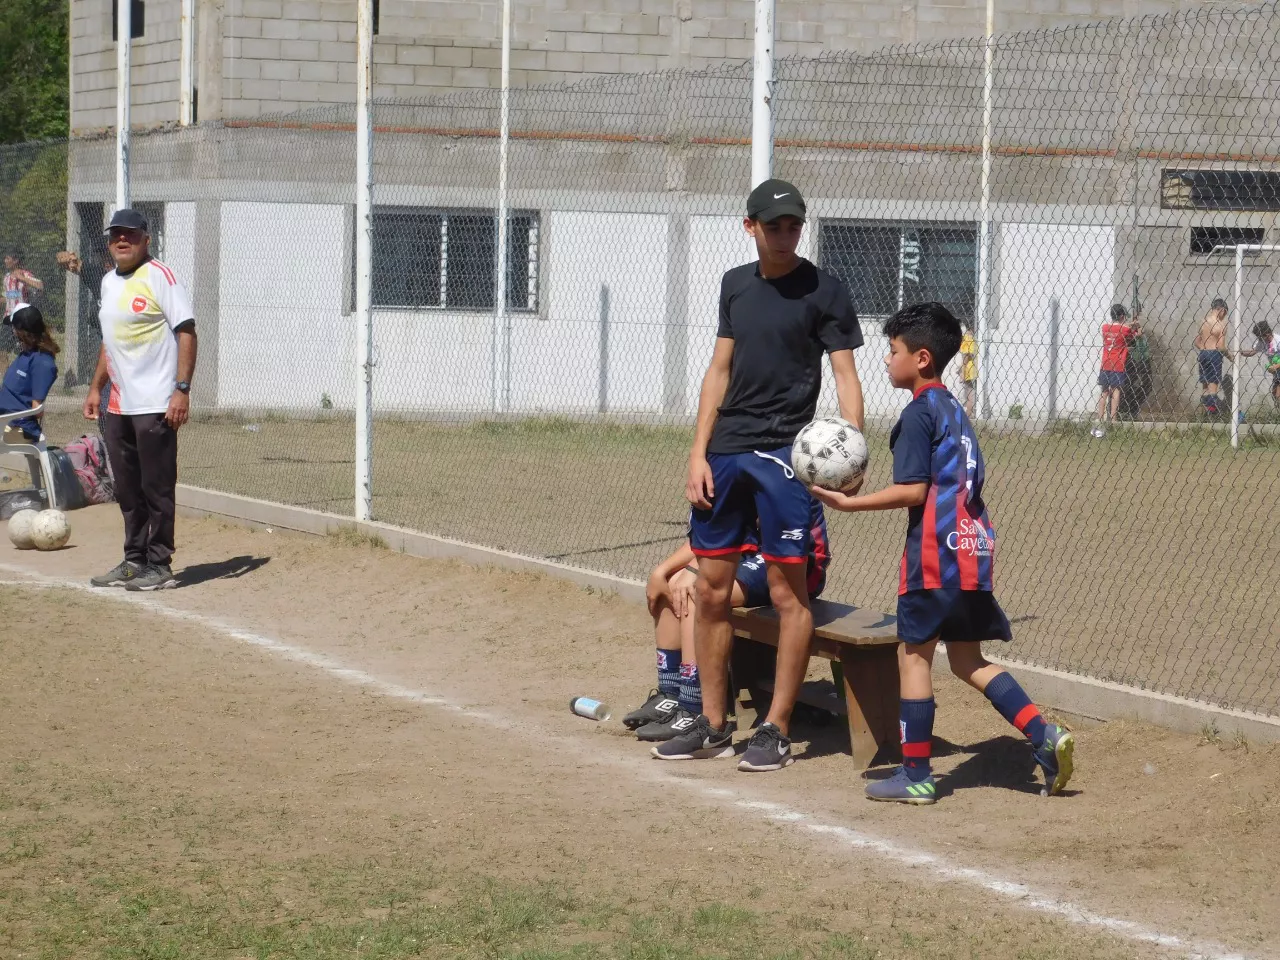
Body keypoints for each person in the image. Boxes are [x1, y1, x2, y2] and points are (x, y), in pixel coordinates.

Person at [811, 301, 1074, 804]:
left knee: (914, 659)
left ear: (923, 358)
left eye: (892, 351)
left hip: (933, 557)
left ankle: (917, 775)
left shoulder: (917, 413)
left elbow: (913, 491)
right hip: (973, 552)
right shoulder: (955, 410)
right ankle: (1043, 734)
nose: (886, 360)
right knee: (968, 660)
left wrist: (850, 503)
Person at [654, 179, 866, 772]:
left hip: (784, 454)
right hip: (726, 451)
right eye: (773, 225)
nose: (785, 234)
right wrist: (698, 452)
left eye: (794, 224)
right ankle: (714, 724)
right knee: (712, 591)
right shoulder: (734, 286)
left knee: (786, 595)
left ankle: (774, 728)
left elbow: (847, 376)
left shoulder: (825, 290)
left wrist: (852, 446)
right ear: (750, 227)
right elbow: (718, 370)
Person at [624, 500, 831, 742]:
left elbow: (734, 535)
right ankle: (670, 694)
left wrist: (694, 572)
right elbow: (706, 539)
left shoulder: (751, 467)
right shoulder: (714, 473)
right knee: (669, 585)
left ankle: (692, 705)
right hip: (745, 553)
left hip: (791, 560)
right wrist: (660, 572)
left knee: (697, 593)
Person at [83, 209, 198, 592]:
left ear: (146, 239)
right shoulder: (107, 282)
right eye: (116, 235)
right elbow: (109, 339)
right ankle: (133, 560)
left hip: (156, 401)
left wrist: (181, 389)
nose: (122, 241)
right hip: (119, 403)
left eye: (130, 235)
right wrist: (96, 386)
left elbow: (186, 331)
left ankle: (159, 564)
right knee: (128, 488)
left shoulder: (159, 276)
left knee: (157, 486)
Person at [0, 304, 58, 443]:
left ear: (21, 332)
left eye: (14, 327)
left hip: (16, 427)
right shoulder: (26, 354)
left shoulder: (42, 362)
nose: (12, 331)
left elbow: (37, 410)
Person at [1092, 304, 1139, 438]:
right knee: (1116, 391)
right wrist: (1136, 326)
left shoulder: (1105, 328)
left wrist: (1130, 325)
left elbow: (1120, 329)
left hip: (1105, 364)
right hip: (1118, 364)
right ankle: (1113, 419)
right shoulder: (1125, 331)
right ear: (1123, 316)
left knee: (1104, 392)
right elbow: (1134, 336)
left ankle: (1100, 418)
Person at [3, 251, 45, 367]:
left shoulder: (25, 274)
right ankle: (5, 376)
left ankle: (24, 371)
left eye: (8, 258)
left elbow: (40, 285)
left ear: (16, 260)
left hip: (21, 317)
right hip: (8, 316)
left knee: (24, 348)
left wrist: (22, 278)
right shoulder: (6, 277)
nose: (5, 261)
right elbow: (7, 297)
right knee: (2, 348)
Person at [1195, 298, 1230, 418]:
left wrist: (1205, 349)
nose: (1224, 316)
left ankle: (1205, 415)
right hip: (1214, 354)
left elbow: (1197, 342)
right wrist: (1231, 357)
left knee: (1205, 387)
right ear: (1222, 310)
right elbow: (1221, 346)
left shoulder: (1203, 321)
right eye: (1224, 313)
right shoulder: (1221, 325)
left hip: (1203, 353)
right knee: (1213, 386)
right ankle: (1214, 414)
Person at [1119, 303, 1153, 420]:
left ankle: (1132, 409)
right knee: (1130, 385)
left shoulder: (1135, 324)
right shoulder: (1125, 327)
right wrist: (1135, 328)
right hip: (1133, 358)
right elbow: (1133, 336)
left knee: (1146, 385)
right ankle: (1128, 411)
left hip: (1142, 357)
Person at [1240, 320, 1280, 412]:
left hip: (1278, 368)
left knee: (1278, 394)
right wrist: (1241, 352)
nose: (1259, 338)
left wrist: (1276, 366)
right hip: (1276, 372)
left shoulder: (1278, 340)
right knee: (1274, 393)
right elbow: (1252, 352)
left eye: (1260, 336)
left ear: (1266, 334)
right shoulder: (1261, 342)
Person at [959, 320, 978, 418]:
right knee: (969, 396)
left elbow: (966, 356)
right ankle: (968, 415)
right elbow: (967, 355)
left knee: (969, 396)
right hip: (970, 371)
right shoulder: (970, 338)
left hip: (969, 371)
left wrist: (962, 371)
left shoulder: (968, 338)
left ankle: (968, 416)